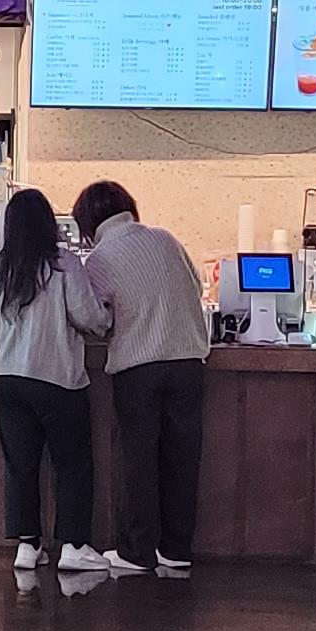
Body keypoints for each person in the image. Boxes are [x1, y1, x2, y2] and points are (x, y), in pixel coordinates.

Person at [70, 180, 212, 577]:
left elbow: (97, 319)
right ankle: (176, 550)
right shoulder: (166, 239)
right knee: (183, 459)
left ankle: (136, 551)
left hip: (139, 368)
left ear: (88, 222)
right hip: (188, 362)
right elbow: (197, 286)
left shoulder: (99, 259)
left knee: (139, 461)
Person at [0, 189, 114, 575]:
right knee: (72, 463)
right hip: (56, 377)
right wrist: (106, 318)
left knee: (21, 464)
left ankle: (27, 545)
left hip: (7, 377)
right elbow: (88, 317)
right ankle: (73, 546)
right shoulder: (63, 264)